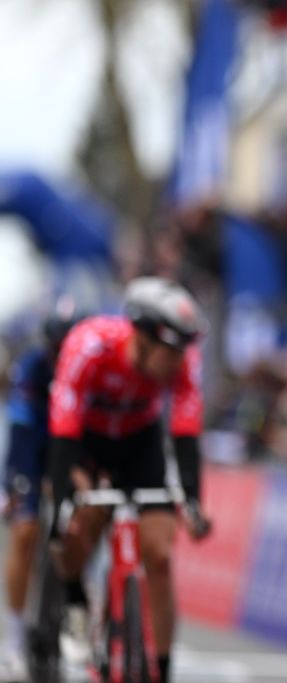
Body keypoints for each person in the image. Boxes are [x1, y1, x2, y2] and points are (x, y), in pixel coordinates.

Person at [48, 277, 211, 682]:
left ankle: (162, 666)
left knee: (158, 553)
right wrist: (67, 493)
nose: (178, 364)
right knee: (75, 528)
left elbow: (186, 427)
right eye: (170, 353)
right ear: (141, 338)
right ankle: (74, 599)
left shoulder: (183, 361)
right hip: (87, 442)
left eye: (182, 354)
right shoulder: (90, 345)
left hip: (140, 443)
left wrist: (191, 498)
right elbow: (64, 421)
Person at [0, 302, 81, 682]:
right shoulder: (31, 368)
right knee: (26, 533)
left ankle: (73, 604)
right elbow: (20, 429)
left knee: (83, 522)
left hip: (72, 447)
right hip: (34, 449)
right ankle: (14, 637)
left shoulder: (88, 368)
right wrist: (14, 487)